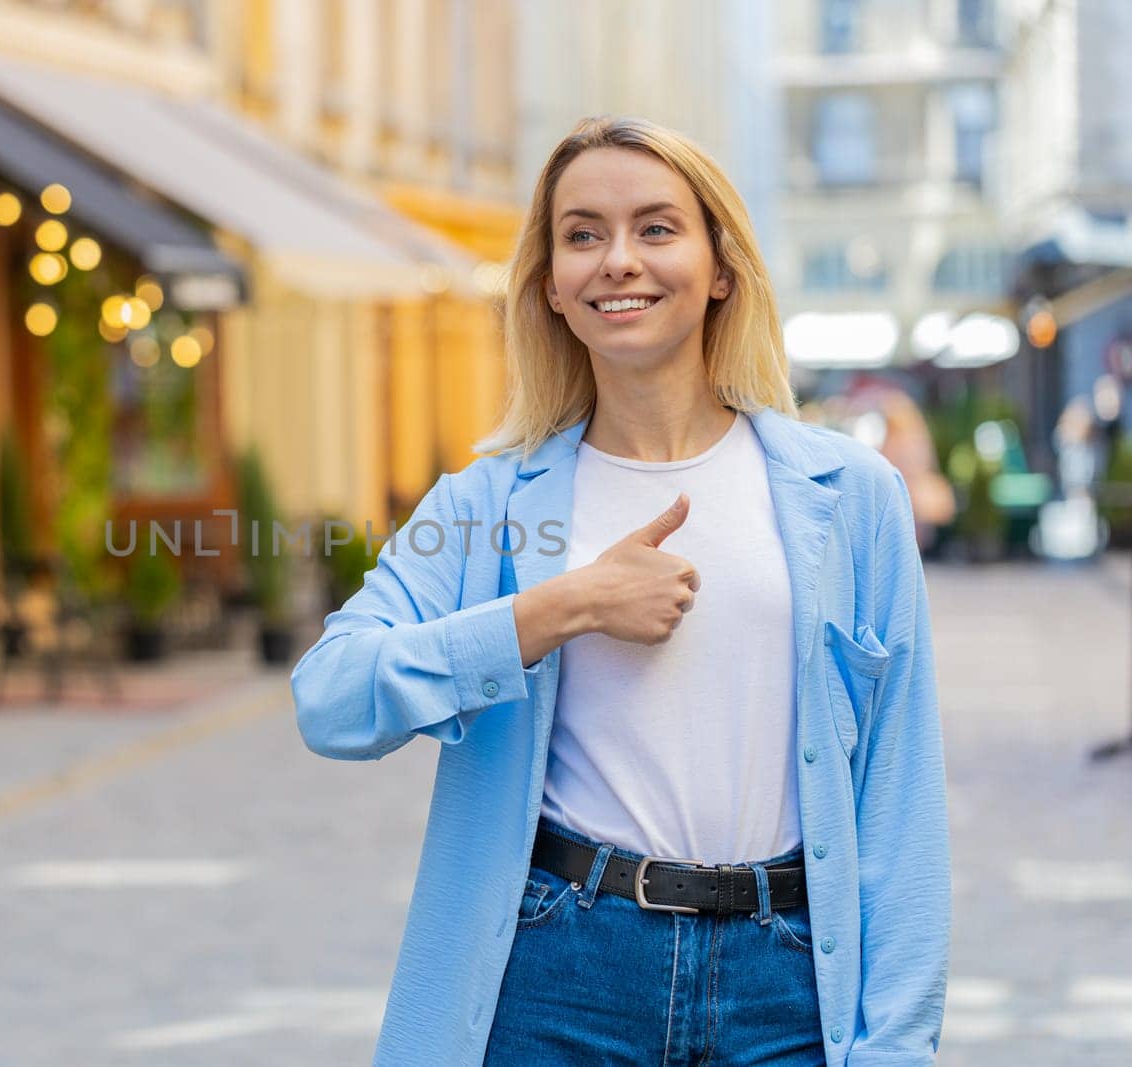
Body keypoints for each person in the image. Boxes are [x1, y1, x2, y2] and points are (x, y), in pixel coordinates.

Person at [290, 116, 950, 1067]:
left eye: (656, 228)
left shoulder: (848, 498)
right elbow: (332, 697)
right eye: (583, 234)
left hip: (790, 984)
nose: (617, 261)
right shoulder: (488, 500)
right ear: (552, 285)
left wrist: (896, 1047)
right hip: (562, 972)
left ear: (720, 267)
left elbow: (901, 794)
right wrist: (563, 606)